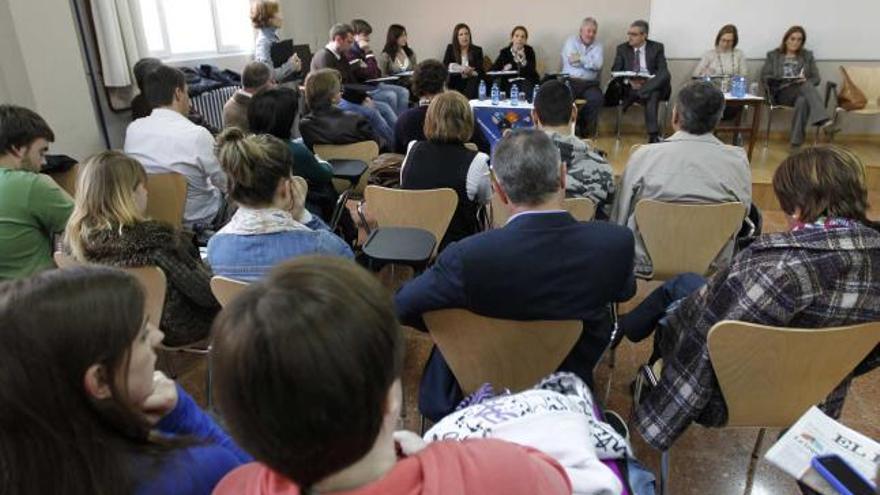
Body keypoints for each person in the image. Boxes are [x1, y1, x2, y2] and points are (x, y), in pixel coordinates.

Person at [211, 256, 573, 495]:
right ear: (390, 398)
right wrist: (430, 453)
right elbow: (556, 479)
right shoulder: (494, 473)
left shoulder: (233, 487)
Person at [631, 146, 880, 451]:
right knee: (687, 287)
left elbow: (704, 340)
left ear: (799, 208)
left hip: (727, 393)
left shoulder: (774, 266)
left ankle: (624, 337)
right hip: (813, 391)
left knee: (680, 297)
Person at [395, 129, 636, 421]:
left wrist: (459, 328)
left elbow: (403, 306)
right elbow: (625, 292)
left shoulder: (468, 256)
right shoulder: (615, 245)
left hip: (479, 382)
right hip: (568, 387)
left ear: (497, 188)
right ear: (562, 176)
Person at [0, 267, 251, 494]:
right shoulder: (198, 469)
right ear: (100, 380)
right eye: (142, 334)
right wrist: (187, 416)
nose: (158, 336)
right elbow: (268, 485)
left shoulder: (22, 466)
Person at [63, 151, 219, 346]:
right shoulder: (159, 241)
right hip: (176, 329)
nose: (147, 191)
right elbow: (207, 294)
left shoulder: (72, 243)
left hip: (115, 329)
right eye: (142, 186)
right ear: (128, 194)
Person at [610, 81, 752, 276]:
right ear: (718, 119)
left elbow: (619, 217)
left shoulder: (644, 156)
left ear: (675, 115)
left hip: (646, 262)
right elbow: (742, 215)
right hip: (713, 263)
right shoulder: (737, 161)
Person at [207, 129, 352, 282]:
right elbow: (350, 269)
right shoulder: (319, 245)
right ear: (285, 187)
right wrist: (304, 216)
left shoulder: (216, 247)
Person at [124, 65, 230, 231]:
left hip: (153, 218)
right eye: (187, 92)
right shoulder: (197, 135)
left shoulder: (133, 130)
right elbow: (226, 183)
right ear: (178, 93)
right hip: (200, 220)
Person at [399, 91, 491, 250]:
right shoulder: (478, 161)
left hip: (412, 242)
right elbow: (486, 202)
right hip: (455, 248)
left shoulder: (412, 148)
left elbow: (405, 186)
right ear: (468, 122)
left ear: (429, 120)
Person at [0, 105, 73, 280]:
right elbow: (89, 227)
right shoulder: (30, 185)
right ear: (18, 148)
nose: (44, 161)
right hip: (41, 295)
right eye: (41, 152)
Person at [248, 86, 339, 223]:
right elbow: (324, 174)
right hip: (293, 213)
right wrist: (320, 160)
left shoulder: (246, 146)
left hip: (254, 211)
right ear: (287, 121)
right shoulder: (294, 151)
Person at [532, 80, 615, 219]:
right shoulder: (602, 168)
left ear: (534, 116)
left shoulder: (511, 164)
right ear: (574, 113)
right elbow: (606, 221)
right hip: (582, 239)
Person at [311, 23, 396, 145]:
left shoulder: (341, 55)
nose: (351, 46)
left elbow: (351, 81)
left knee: (385, 108)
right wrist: (360, 99)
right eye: (349, 42)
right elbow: (336, 89)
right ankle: (393, 146)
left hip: (343, 96)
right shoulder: (324, 57)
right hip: (332, 101)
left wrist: (365, 97)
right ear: (338, 39)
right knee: (373, 113)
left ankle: (395, 141)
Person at [393, 59, 491, 154]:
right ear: (444, 84)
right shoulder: (459, 113)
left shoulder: (404, 120)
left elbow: (398, 156)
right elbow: (484, 148)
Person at [760, 26, 831, 149]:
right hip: (781, 92)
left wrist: (804, 80)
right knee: (806, 86)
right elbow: (765, 76)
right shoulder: (774, 55)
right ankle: (823, 119)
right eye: (792, 39)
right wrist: (781, 78)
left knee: (803, 100)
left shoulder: (807, 56)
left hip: (801, 92)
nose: (795, 42)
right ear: (786, 40)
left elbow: (816, 78)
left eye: (799, 40)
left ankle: (795, 143)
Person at [609, 20, 672, 143]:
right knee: (652, 94)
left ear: (644, 35)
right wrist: (629, 82)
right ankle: (653, 135)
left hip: (652, 85)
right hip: (632, 87)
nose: (630, 37)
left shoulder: (657, 47)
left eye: (634, 34)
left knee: (665, 74)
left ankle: (639, 93)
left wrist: (648, 84)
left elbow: (662, 71)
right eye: (629, 34)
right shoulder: (622, 48)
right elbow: (615, 71)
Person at [299, 68, 385, 151]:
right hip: (363, 164)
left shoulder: (305, 126)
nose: (342, 92)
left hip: (327, 165)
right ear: (332, 97)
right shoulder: (356, 120)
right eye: (340, 89)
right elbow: (378, 146)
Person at [350, 19, 410, 116]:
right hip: (366, 87)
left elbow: (376, 72)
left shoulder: (363, 51)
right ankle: (395, 125)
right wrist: (368, 52)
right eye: (365, 35)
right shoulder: (352, 54)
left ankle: (401, 121)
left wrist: (368, 57)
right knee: (391, 96)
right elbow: (372, 74)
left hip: (375, 83)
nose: (368, 39)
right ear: (354, 36)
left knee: (404, 92)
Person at [561, 17, 605, 138]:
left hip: (590, 84)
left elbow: (598, 65)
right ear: (581, 31)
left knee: (597, 99)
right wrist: (589, 62)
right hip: (571, 81)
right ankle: (570, 130)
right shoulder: (571, 41)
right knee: (565, 98)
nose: (591, 34)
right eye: (588, 31)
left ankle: (583, 128)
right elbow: (572, 61)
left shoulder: (598, 45)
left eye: (594, 32)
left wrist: (580, 58)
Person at [693, 24, 747, 122]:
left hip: (732, 93)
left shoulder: (739, 54)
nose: (726, 44)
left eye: (729, 41)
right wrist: (705, 72)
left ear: (734, 41)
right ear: (718, 39)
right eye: (723, 40)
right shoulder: (709, 54)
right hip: (712, 93)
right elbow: (695, 75)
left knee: (737, 105)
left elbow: (743, 74)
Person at [251, 0, 302, 83]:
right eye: (278, 12)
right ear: (269, 18)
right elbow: (268, 76)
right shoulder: (263, 42)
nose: (282, 17)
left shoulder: (273, 38)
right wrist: (290, 65)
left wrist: (296, 67)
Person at [223, 61, 274, 132]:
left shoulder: (229, 104)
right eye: (271, 81)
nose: (273, 84)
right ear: (261, 86)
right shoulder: (255, 110)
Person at [490, 25, 540, 97]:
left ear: (525, 40)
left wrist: (524, 61)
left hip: (526, 81)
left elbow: (532, 71)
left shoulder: (529, 51)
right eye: (517, 36)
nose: (519, 39)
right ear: (512, 38)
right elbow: (493, 70)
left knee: (526, 87)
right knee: (513, 88)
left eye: (523, 37)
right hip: (509, 82)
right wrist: (505, 69)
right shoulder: (504, 52)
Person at [443, 23, 485, 99]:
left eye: (466, 34)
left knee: (474, 81)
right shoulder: (451, 49)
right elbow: (445, 66)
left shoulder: (477, 50)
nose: (464, 37)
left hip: (472, 81)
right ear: (456, 37)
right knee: (454, 82)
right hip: (455, 81)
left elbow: (480, 70)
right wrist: (461, 69)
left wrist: (471, 72)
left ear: (469, 36)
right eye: (461, 34)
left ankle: (467, 104)